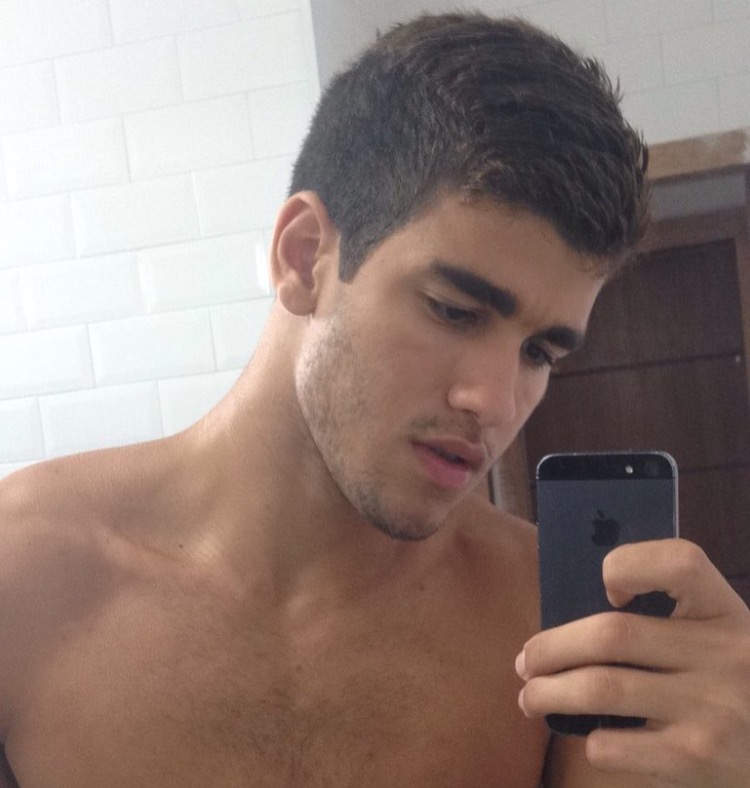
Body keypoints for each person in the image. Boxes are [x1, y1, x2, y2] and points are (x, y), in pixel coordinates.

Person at [1, 11, 748, 787]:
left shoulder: (554, 624)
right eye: (453, 310)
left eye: (540, 352)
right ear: (304, 258)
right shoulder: (24, 572)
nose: (495, 401)